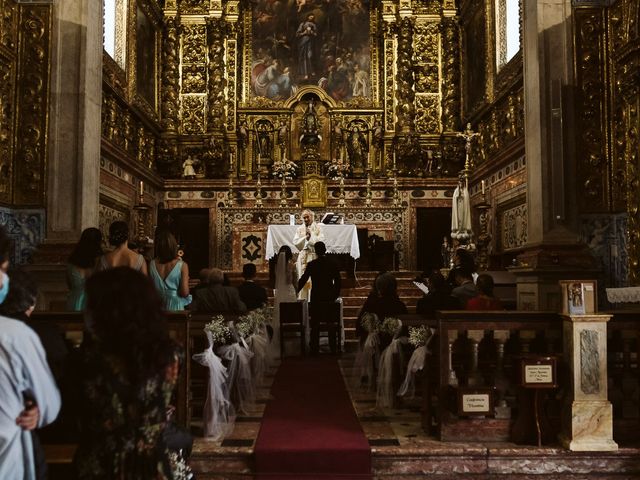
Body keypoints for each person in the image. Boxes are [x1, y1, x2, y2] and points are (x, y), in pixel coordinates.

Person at [72, 267, 180, 479]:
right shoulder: (171, 354)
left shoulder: (89, 359)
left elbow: (75, 411)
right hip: (150, 461)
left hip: (101, 461)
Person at [297, 242, 341, 354]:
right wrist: (334, 294)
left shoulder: (312, 264)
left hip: (316, 296)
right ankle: (333, 347)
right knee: (330, 322)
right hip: (329, 296)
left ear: (315, 251)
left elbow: (303, 279)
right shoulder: (332, 263)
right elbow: (338, 282)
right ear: (325, 249)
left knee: (315, 323)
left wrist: (295, 291)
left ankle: (314, 348)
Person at [357, 272, 407, 345]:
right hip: (395, 344)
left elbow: (360, 327)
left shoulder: (372, 305)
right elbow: (406, 329)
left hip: (376, 344)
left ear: (378, 288)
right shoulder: (400, 305)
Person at [149, 230, 192, 310]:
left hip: (156, 305)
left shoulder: (151, 264)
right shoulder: (182, 265)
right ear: (174, 246)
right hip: (175, 306)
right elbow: (184, 293)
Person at [66, 227, 103, 311]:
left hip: (74, 302)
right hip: (94, 304)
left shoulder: (71, 262)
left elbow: (69, 284)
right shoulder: (101, 261)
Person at [293, 209, 324, 300]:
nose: (306, 219)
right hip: (303, 255)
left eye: (307, 217)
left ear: (312, 217)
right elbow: (296, 242)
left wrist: (311, 238)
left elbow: (321, 241)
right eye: (304, 217)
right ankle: (303, 299)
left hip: (313, 255)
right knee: (302, 277)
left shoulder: (318, 228)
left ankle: (313, 299)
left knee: (313, 279)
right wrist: (305, 237)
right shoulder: (299, 229)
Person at [296, 14, 317, 80]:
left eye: (313, 17)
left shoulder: (314, 25)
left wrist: (312, 32)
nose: (312, 18)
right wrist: (304, 33)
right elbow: (297, 34)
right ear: (307, 16)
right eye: (310, 16)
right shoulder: (302, 24)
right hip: (303, 42)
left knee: (309, 56)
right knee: (303, 57)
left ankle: (311, 71)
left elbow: (316, 34)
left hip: (310, 42)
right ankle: (305, 73)